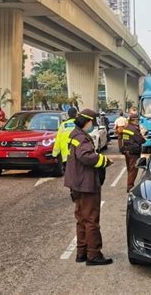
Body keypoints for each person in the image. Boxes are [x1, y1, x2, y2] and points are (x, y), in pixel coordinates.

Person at [64, 109, 114, 266]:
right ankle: (94, 255)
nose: (93, 125)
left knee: (81, 219)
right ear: (87, 122)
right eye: (92, 122)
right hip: (86, 184)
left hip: (76, 183)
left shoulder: (74, 135)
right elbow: (86, 156)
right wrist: (104, 160)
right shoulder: (82, 138)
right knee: (91, 219)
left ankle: (82, 252)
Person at [122, 112, 146, 193]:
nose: (138, 121)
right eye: (138, 120)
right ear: (134, 120)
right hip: (133, 152)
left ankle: (129, 184)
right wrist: (143, 136)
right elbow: (141, 140)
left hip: (126, 150)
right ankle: (130, 186)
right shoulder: (134, 129)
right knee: (133, 169)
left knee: (130, 169)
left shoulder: (126, 127)